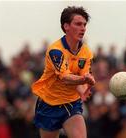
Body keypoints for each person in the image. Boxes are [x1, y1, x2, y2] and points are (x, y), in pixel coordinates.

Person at [31, 6, 95, 138]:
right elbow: (65, 77)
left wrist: (83, 90)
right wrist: (84, 80)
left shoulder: (86, 52)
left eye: (84, 24)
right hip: (49, 103)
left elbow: (82, 77)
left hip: (71, 103)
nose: (83, 28)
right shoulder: (56, 50)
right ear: (66, 26)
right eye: (78, 24)